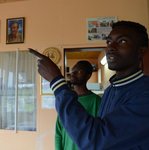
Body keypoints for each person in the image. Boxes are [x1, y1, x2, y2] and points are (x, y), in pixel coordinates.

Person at [28, 20, 149, 150]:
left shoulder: (144, 94)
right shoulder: (110, 90)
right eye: (108, 42)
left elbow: (94, 139)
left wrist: (56, 81)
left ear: (140, 51)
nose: (110, 47)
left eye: (122, 41)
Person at [55, 61, 101, 150]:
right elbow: (58, 132)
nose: (73, 73)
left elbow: (99, 134)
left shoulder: (96, 101)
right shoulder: (67, 100)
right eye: (73, 70)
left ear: (88, 76)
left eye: (79, 71)